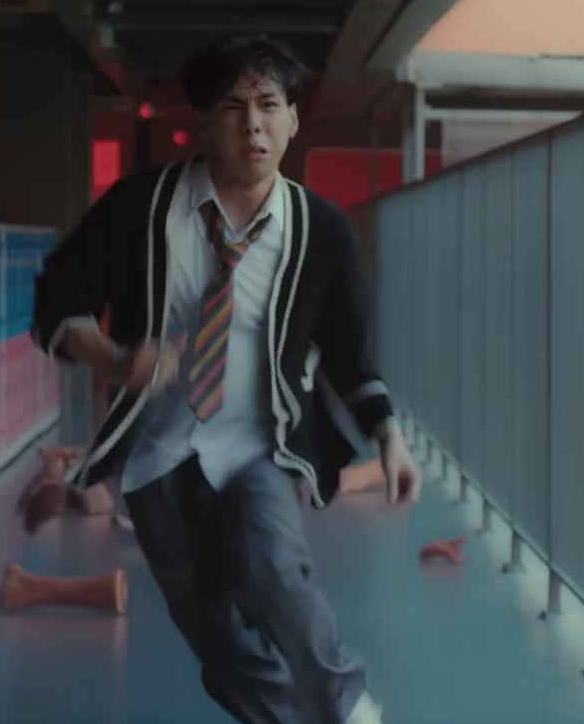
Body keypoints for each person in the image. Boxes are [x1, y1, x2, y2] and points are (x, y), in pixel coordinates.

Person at [32, 35, 422, 724]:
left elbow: (348, 355)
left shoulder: (323, 232)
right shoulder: (139, 207)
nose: (254, 125)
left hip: (260, 445)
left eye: (270, 106)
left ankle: (346, 706)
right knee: (218, 638)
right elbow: (55, 301)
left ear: (293, 118)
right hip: (158, 454)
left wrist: (389, 435)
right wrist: (116, 360)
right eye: (235, 108)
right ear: (204, 122)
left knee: (274, 566)